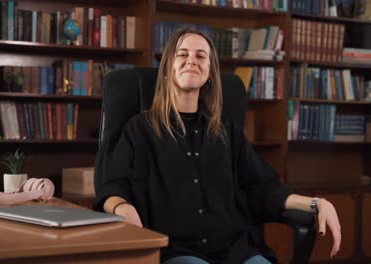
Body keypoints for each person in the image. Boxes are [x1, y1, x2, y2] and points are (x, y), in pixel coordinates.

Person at [94, 28, 341, 264]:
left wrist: (317, 203)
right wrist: (121, 206)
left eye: (201, 56)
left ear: (210, 73)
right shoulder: (139, 129)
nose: (191, 60)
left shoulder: (226, 131)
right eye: (182, 54)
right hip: (175, 251)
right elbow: (112, 186)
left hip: (235, 251)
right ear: (168, 69)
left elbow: (263, 187)